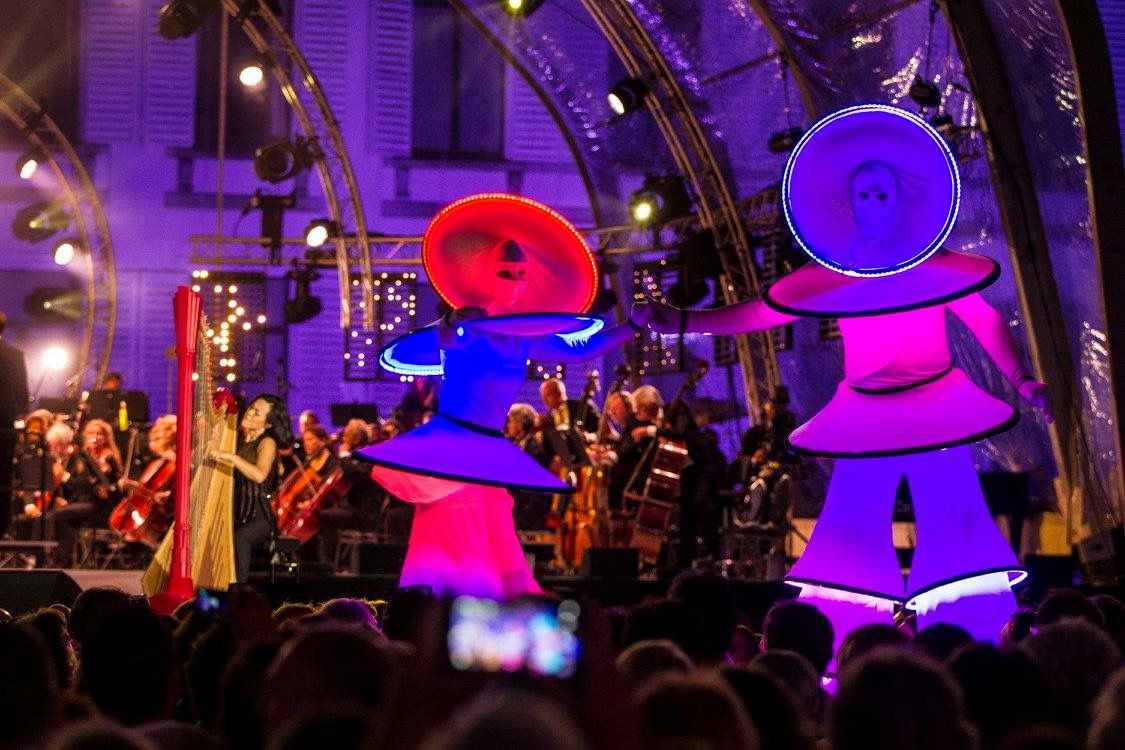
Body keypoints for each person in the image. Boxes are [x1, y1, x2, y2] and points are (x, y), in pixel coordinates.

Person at [642, 105, 1050, 642]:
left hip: (936, 411)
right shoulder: (837, 270)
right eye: (864, 195)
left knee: (955, 519)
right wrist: (686, 320)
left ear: (900, 200)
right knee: (850, 529)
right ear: (850, 203)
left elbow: (984, 318)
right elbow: (763, 312)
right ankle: (839, 638)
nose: (873, 203)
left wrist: (1023, 380)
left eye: (882, 194)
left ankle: (972, 637)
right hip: (866, 416)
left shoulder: (931, 262)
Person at [357, 193, 646, 599]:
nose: (514, 280)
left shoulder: (521, 336)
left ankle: (481, 614)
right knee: (451, 539)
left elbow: (580, 348)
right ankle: (435, 613)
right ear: (488, 273)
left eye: (520, 273)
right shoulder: (467, 326)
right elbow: (448, 339)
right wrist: (451, 322)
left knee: (491, 542)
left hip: (489, 449)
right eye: (506, 271)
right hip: (455, 446)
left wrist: (634, 325)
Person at [209, 394, 292, 583]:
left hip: (259, 516)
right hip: (236, 512)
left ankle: (239, 589)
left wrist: (231, 457)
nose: (250, 413)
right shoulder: (238, 439)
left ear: (268, 424)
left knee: (240, 538)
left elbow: (260, 475)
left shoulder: (267, 442)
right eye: (251, 408)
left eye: (257, 413)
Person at [48, 419, 123, 565]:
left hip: (103, 507)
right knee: (55, 514)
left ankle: (63, 560)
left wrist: (106, 480)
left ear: (106, 437)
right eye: (92, 433)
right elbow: (80, 485)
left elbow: (114, 489)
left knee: (62, 515)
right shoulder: (82, 458)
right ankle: (58, 557)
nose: (96, 437)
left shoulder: (109, 458)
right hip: (86, 502)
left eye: (100, 433)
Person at [0, 311, 29, 537]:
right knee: (3, 477)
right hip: (4, 425)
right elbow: (22, 395)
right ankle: (1, 526)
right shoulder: (14, 355)